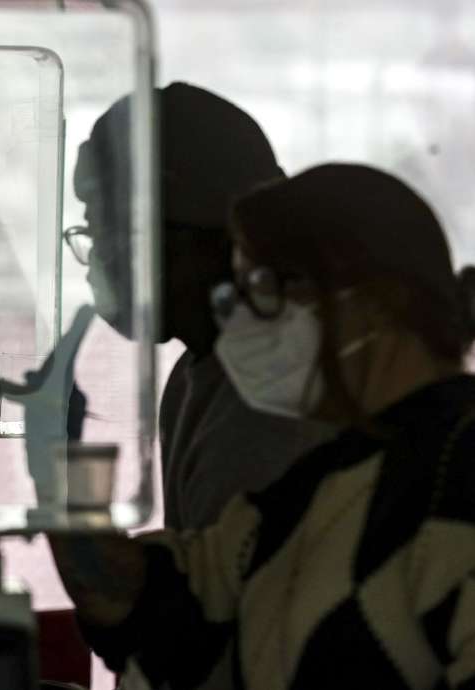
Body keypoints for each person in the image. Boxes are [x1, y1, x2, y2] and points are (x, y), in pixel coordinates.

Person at [52, 163, 475, 689]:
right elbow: (132, 596)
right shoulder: (311, 489)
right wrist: (64, 470)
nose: (241, 324)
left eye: (264, 288)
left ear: (380, 296)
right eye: (236, 297)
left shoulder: (455, 476)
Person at [67, 82, 333, 531]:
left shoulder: (270, 404)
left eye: (107, 232)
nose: (97, 259)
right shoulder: (198, 374)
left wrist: (64, 456)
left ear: (191, 238)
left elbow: (196, 595)